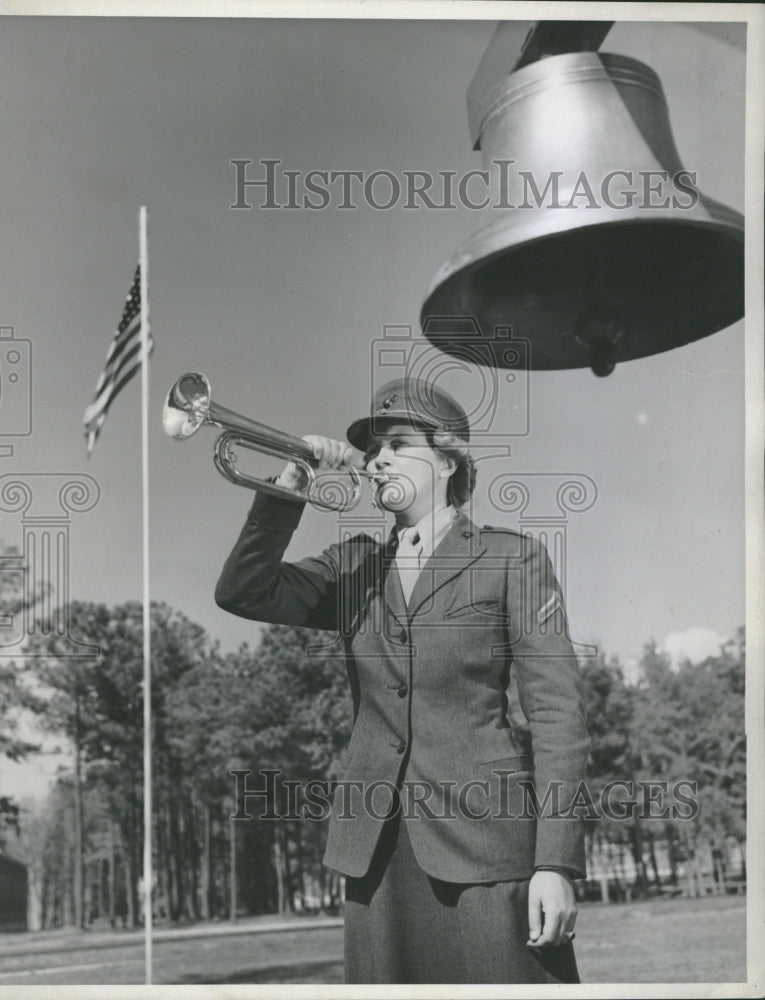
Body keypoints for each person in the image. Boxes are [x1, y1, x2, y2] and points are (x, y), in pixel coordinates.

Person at [216, 377, 590, 984]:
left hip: (487, 850)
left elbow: (558, 719)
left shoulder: (510, 559)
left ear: (447, 460)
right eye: (373, 448)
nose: (377, 458)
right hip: (377, 859)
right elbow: (242, 591)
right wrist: (288, 488)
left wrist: (556, 863)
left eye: (397, 443)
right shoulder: (353, 566)